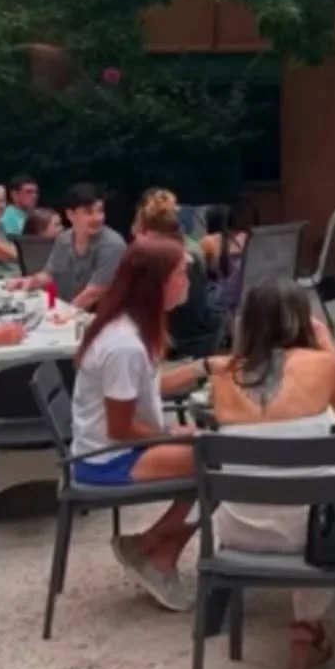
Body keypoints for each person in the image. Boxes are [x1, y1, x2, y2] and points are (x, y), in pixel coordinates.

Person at [206, 282, 335, 669]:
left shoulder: (222, 372)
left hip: (236, 528)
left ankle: (302, 628)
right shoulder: (322, 364)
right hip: (315, 536)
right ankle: (305, 625)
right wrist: (326, 345)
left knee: (298, 485)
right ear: (302, 318)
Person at [66, 238, 213, 609]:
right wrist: (173, 433)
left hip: (108, 447)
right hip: (106, 458)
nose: (188, 283)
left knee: (218, 450)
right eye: (182, 274)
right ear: (158, 282)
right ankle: (153, 550)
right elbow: (121, 429)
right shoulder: (125, 345)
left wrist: (204, 367)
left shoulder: (129, 328)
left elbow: (146, 390)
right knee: (225, 460)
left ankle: (150, 547)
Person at [7, 183, 126, 310]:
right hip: (73, 311)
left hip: (102, 318)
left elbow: (94, 292)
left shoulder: (112, 245)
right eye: (88, 212)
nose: (97, 218)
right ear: (70, 215)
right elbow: (49, 274)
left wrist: (66, 313)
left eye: (100, 211)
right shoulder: (64, 239)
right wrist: (29, 281)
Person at [133, 204, 226, 360]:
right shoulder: (170, 254)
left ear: (152, 233)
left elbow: (170, 305)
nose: (135, 236)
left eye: (141, 233)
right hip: (180, 336)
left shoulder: (185, 260)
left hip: (191, 341)